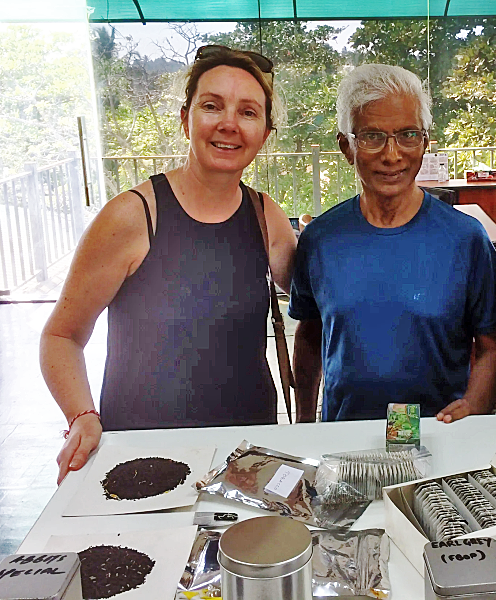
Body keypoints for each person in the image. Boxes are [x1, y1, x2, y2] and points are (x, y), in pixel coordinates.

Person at [41, 46, 297, 483]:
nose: (228, 124)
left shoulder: (265, 215)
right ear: (186, 119)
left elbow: (323, 301)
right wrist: (81, 415)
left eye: (248, 112)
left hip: (244, 458)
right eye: (212, 106)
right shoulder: (131, 216)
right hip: (143, 457)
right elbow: (61, 336)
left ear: (265, 133)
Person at [288, 64, 496, 424]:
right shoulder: (320, 240)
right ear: (346, 146)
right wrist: (303, 424)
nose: (392, 155)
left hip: (438, 438)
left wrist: (474, 405)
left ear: (425, 141)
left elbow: (493, 345)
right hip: (344, 438)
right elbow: (310, 337)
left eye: (408, 134)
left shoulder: (465, 239)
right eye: (372, 136)